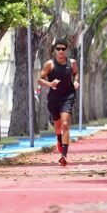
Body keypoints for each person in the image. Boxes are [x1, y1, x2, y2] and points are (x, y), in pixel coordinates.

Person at [38, 38, 80, 166]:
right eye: (58, 49)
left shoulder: (72, 62)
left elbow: (76, 73)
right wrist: (50, 84)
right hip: (54, 98)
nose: (61, 51)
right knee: (57, 126)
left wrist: (76, 81)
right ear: (54, 51)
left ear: (67, 50)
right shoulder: (49, 64)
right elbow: (40, 80)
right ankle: (58, 138)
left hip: (68, 96)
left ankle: (64, 156)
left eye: (63, 49)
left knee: (65, 124)